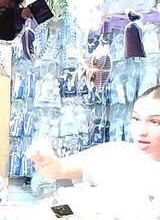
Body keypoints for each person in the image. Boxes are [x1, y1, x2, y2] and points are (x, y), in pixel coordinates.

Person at [29, 84, 160, 200]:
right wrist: (44, 159)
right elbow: (58, 169)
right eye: (136, 119)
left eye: (154, 122)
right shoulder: (117, 155)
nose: (141, 131)